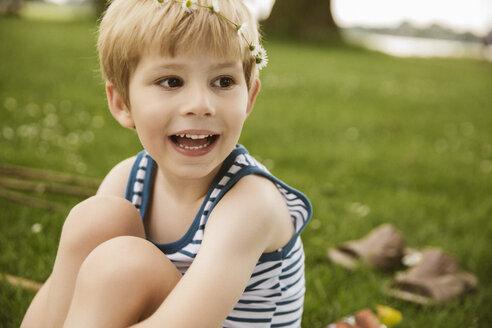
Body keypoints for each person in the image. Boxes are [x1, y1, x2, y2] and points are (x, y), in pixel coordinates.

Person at [21, 0, 312, 327]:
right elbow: (60, 296)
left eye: (223, 81)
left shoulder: (250, 203)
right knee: (96, 217)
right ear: (122, 102)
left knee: (124, 265)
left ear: (250, 98)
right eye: (172, 81)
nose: (201, 105)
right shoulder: (127, 180)